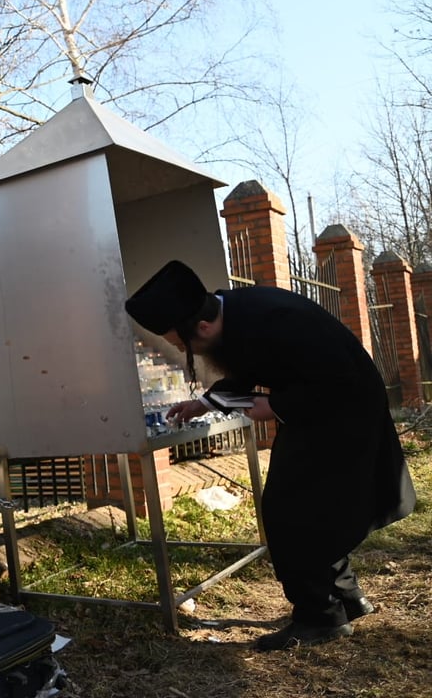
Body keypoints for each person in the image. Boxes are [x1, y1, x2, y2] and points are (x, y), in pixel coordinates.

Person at [124, 260, 416, 651]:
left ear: (203, 328)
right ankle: (345, 598)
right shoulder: (234, 313)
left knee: (290, 509)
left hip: (342, 412)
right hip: (320, 411)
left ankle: (319, 617)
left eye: (182, 345)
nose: (182, 351)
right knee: (315, 507)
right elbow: (249, 367)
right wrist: (205, 403)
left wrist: (275, 406)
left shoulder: (274, 321)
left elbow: (337, 380)